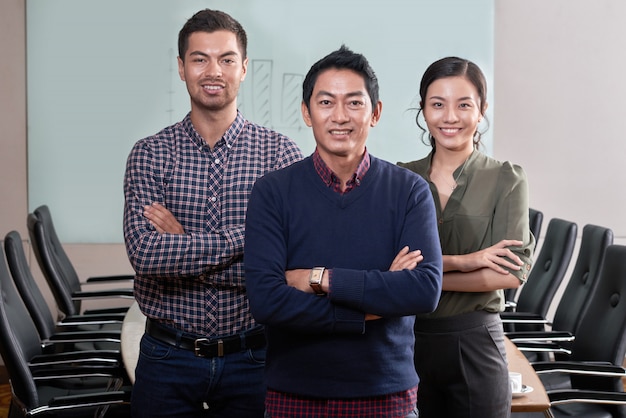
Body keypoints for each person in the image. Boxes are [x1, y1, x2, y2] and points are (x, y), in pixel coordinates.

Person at [244, 45, 443, 418]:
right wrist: (373, 303)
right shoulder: (272, 192)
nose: (340, 117)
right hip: (295, 393)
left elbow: (423, 290)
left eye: (354, 103)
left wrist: (319, 278)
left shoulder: (409, 191)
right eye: (325, 103)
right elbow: (266, 300)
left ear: (376, 112)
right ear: (306, 112)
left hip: (387, 394)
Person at [122, 9, 303, 418]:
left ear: (243, 68)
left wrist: (182, 242)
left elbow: (290, 268)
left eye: (225, 59)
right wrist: (249, 238)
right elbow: (147, 257)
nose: (212, 71)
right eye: (199, 58)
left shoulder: (280, 155)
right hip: (167, 356)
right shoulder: (150, 154)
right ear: (182, 68)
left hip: (255, 357)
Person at [398, 56, 535, 418]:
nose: (450, 117)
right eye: (437, 104)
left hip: (474, 341)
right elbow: (387, 266)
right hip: (406, 341)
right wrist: (468, 262)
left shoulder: (507, 179)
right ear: (423, 110)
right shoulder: (400, 180)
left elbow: (508, 274)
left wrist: (423, 277)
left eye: (464, 105)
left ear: (482, 110)